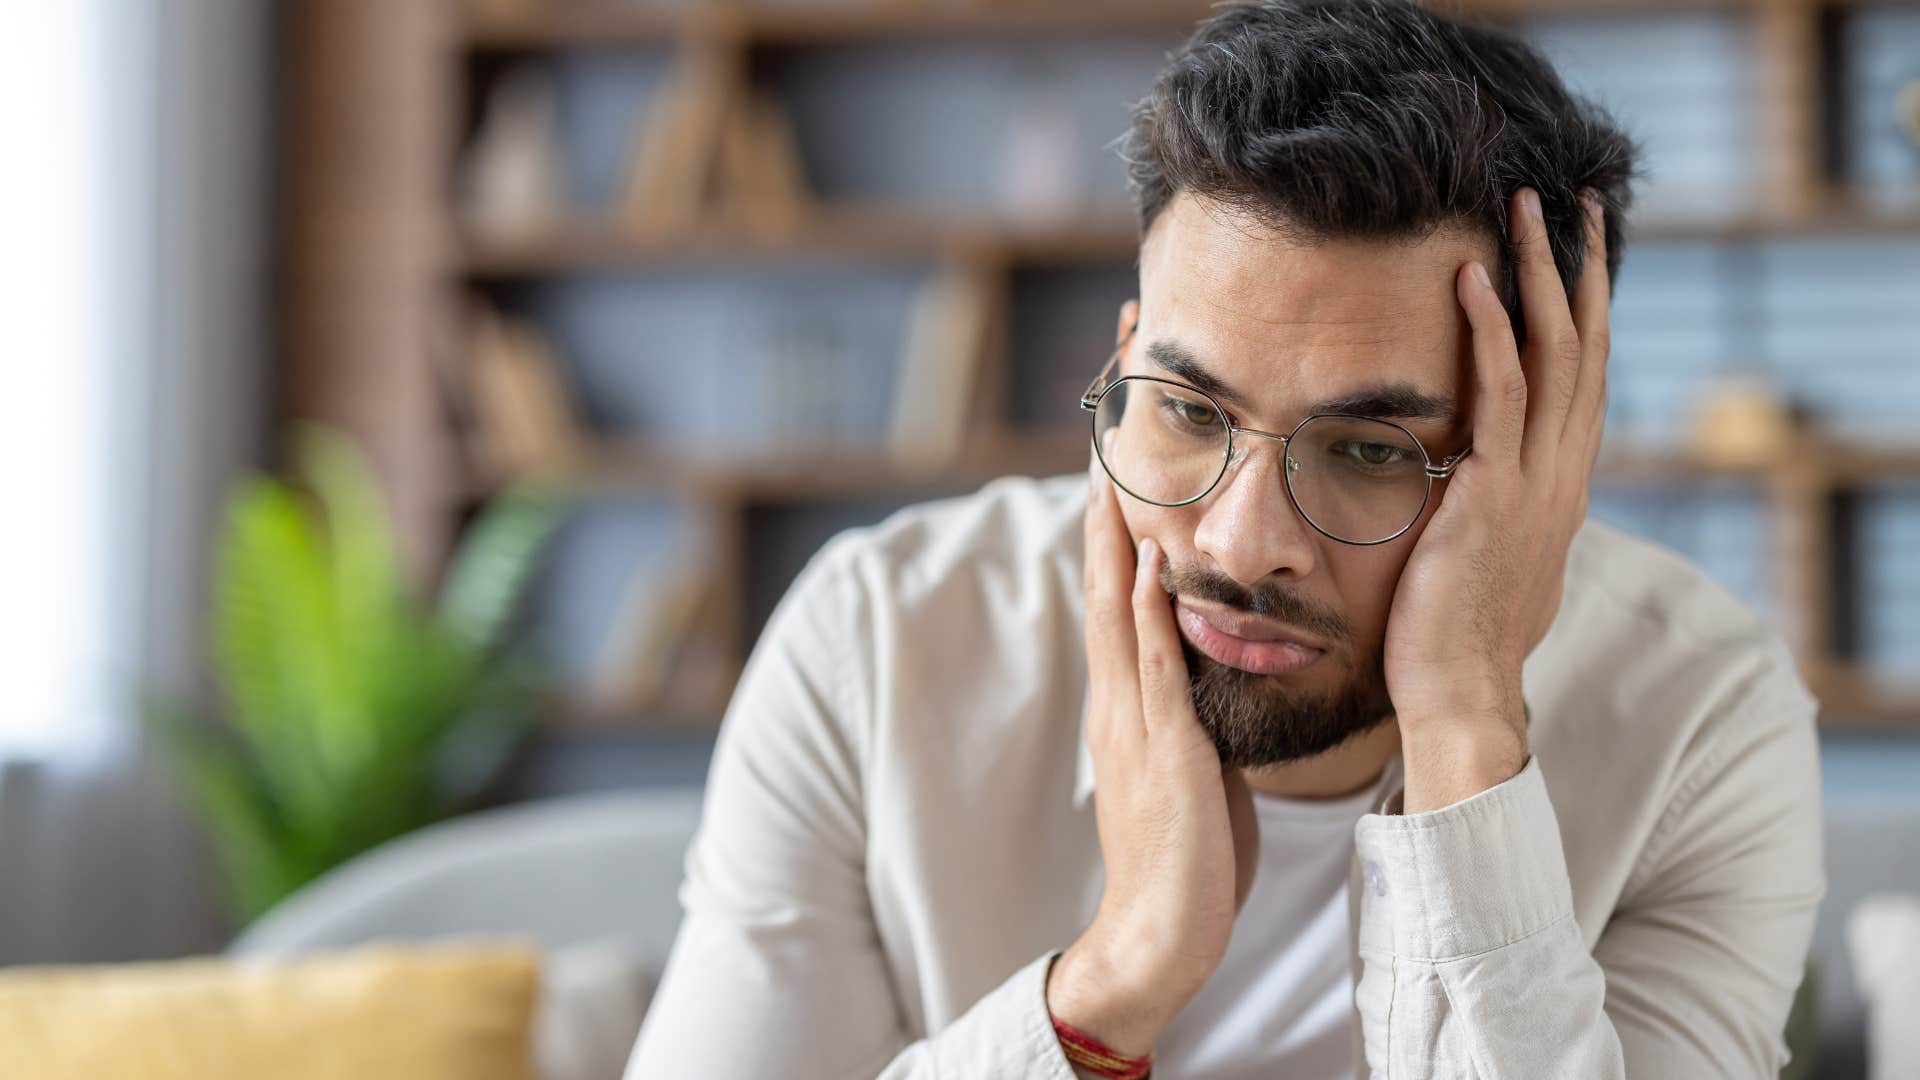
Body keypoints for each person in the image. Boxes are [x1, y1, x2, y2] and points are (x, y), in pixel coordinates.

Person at [625, 2, 1824, 1076]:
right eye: (1191, 412)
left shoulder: (1701, 725)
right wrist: (1113, 984)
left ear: (1546, 455)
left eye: (1367, 449)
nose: (1245, 545)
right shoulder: (879, 644)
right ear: (1122, 355)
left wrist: (1468, 730)